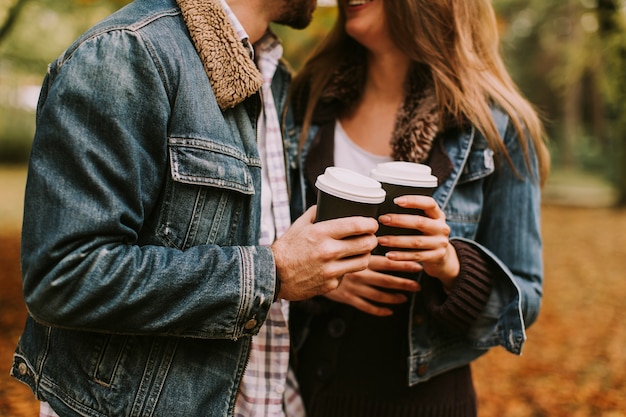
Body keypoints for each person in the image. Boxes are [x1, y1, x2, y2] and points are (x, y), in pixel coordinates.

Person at [10, 0, 382, 416]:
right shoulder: (126, 53)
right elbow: (65, 276)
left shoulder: (274, 76)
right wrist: (272, 274)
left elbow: (251, 242)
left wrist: (321, 272)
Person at [288, 0, 550, 416]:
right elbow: (260, 246)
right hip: (299, 396)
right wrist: (316, 282)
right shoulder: (303, 100)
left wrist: (449, 264)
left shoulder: (498, 128)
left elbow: (526, 299)